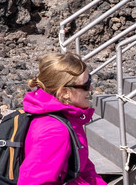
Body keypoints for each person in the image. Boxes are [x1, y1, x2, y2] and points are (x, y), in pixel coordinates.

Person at [17, 52, 107, 185]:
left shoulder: (65, 118)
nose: (92, 88)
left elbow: (80, 166)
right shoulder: (55, 131)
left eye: (90, 80)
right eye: (86, 84)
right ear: (65, 93)